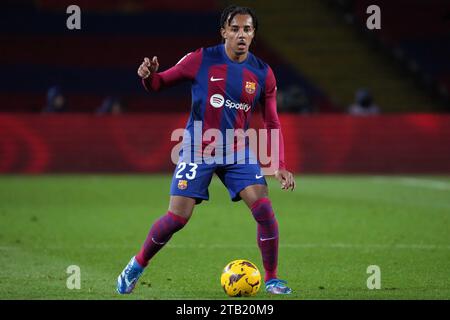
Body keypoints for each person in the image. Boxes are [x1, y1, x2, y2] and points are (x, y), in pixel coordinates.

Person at [117, 5, 296, 295]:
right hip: (198, 148)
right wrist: (148, 76)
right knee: (177, 218)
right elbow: (160, 83)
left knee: (264, 208)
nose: (241, 34)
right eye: (235, 28)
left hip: (237, 150)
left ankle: (273, 278)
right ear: (223, 31)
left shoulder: (263, 73)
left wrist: (280, 163)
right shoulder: (201, 59)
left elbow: (273, 121)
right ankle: (136, 265)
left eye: (247, 29)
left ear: (253, 34)